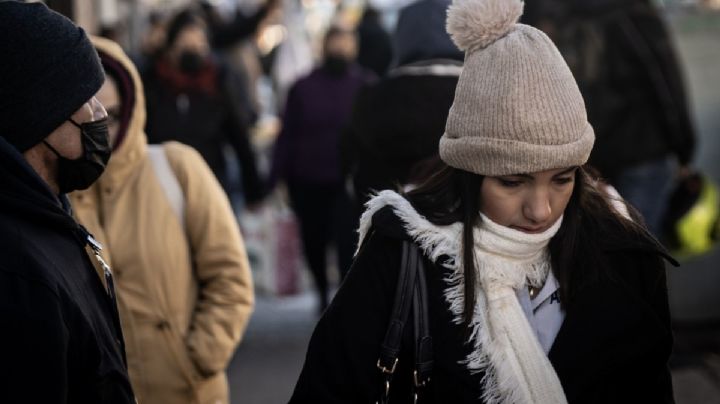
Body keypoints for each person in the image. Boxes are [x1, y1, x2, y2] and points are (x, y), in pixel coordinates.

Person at [290, 0, 675, 403]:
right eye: (512, 183)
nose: (540, 210)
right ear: (469, 175)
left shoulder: (625, 254)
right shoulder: (403, 254)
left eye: (562, 179)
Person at [70, 36, 255, 404]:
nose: (102, 128)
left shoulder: (176, 167)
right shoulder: (56, 198)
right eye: (88, 116)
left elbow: (230, 277)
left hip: (188, 392)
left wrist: (197, 358)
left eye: (114, 113)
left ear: (132, 105)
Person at [0, 3, 135, 402]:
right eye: (86, 98)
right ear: (40, 114)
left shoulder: (49, 215)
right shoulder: (17, 270)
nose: (98, 114)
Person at [521, 0, 696, 236]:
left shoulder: (539, 10)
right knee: (639, 246)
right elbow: (662, 80)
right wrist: (684, 147)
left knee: (586, 246)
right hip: (642, 150)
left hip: (576, 155)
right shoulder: (631, 8)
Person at [270, 25, 375, 312]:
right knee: (314, 243)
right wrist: (276, 177)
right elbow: (287, 133)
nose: (340, 49)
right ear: (324, 46)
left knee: (347, 246)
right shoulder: (303, 87)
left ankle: (342, 302)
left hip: (348, 185)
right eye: (335, 43)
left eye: (346, 43)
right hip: (308, 181)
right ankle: (321, 294)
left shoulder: (365, 86)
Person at [342, 0, 465, 212]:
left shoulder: (373, 97)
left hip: (389, 228)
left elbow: (352, 162)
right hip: (462, 231)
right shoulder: (480, 95)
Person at [142, 8, 264, 206]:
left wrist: (254, 191)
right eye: (185, 42)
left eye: (199, 42)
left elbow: (239, 136)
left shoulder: (217, 82)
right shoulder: (152, 81)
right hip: (160, 187)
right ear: (171, 45)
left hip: (210, 186)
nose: (193, 48)